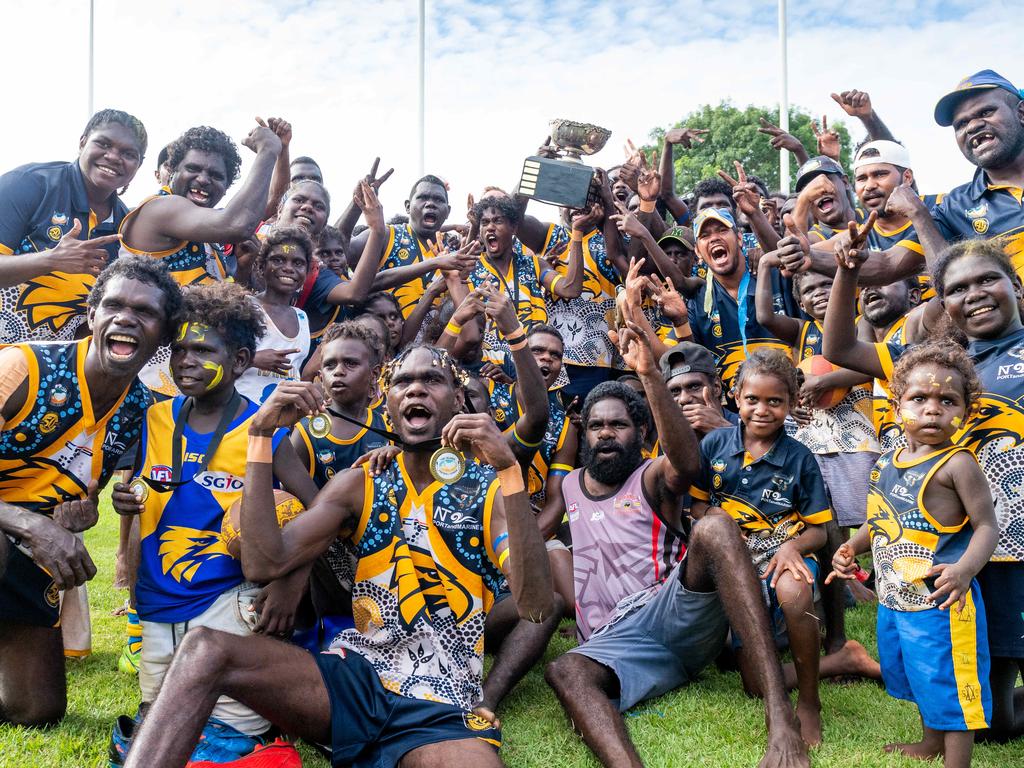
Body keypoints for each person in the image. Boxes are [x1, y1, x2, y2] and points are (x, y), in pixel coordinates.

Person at [123, 345, 554, 768]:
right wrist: (259, 436)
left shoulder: (490, 489)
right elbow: (264, 564)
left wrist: (510, 472)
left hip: (439, 705)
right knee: (204, 648)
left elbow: (535, 606)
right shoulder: (359, 483)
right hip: (353, 680)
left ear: (458, 400)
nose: (416, 390)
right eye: (403, 382)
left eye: (433, 380)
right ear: (386, 402)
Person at [545, 322, 809, 768]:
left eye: (619, 425)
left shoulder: (648, 475)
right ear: (583, 434)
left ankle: (781, 716)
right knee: (564, 669)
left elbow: (686, 464)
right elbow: (535, 538)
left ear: (641, 432)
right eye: (595, 426)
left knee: (715, 527)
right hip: (617, 644)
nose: (606, 434)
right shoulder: (568, 485)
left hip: (673, 614)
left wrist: (649, 374)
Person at [108, 282, 317, 764]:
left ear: (241, 360)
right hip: (158, 595)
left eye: (203, 350)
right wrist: (124, 504)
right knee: (159, 709)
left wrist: (292, 583)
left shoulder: (263, 430)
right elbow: (142, 491)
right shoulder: (154, 419)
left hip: (230, 597)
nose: (185, 360)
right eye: (179, 349)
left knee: (234, 723)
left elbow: (317, 512)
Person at [825, 235, 1024, 742]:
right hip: (965, 552)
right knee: (994, 721)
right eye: (957, 288)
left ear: (1015, 284)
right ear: (944, 304)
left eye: (987, 279)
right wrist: (847, 273)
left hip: (1017, 546)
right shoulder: (936, 366)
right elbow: (838, 349)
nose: (974, 293)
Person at [0, 255, 183, 726]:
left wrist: (83, 514)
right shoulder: (22, 366)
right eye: (114, 306)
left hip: (28, 551)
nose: (126, 317)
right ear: (92, 316)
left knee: (36, 710)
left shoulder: (140, 409)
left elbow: (82, 489)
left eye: (145, 312)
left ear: (162, 336)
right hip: (12, 535)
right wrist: (29, 523)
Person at [829, 342, 998, 768]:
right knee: (918, 675)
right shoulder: (887, 461)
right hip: (896, 600)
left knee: (950, 684)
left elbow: (987, 527)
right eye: (919, 398)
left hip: (942, 603)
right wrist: (851, 546)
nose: (933, 409)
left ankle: (956, 761)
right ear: (897, 401)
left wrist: (963, 570)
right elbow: (882, 521)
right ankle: (929, 743)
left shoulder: (958, 464)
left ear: (966, 410)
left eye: (948, 401)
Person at [689, 348, 832, 745]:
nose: (763, 410)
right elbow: (699, 505)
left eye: (775, 401)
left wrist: (792, 549)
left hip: (783, 548)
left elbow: (819, 531)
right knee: (754, 685)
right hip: (731, 556)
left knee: (793, 587)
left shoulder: (800, 458)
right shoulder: (714, 445)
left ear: (791, 403)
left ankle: (809, 700)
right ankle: (843, 659)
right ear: (735, 397)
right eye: (753, 399)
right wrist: (718, 530)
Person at [0, 109, 147, 343]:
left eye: (129, 154)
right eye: (104, 143)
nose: (113, 157)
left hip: (50, 367)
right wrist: (51, 260)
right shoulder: (31, 183)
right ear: (82, 142)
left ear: (138, 166)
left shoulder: (126, 225)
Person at [684, 208, 794, 399]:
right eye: (704, 235)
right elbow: (688, 359)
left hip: (790, 403)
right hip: (733, 413)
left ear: (740, 239)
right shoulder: (698, 301)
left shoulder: (777, 277)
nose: (714, 238)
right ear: (697, 252)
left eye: (722, 230)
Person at [235, 227, 312, 405]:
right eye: (278, 260)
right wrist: (254, 359)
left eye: (298, 263)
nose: (288, 268)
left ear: (306, 273)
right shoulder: (246, 306)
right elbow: (218, 356)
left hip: (281, 422)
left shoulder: (302, 317)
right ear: (261, 267)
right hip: (240, 415)